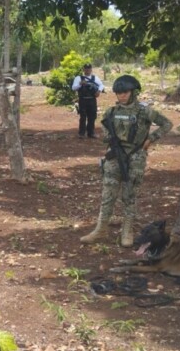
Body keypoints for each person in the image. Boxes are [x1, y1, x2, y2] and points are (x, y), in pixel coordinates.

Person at [80, 75, 172, 247]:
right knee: (108, 194)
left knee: (130, 196)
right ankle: (100, 229)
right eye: (118, 93)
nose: (121, 96)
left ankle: (127, 231)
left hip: (136, 157)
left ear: (133, 92)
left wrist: (151, 138)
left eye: (125, 92)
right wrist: (110, 140)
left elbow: (167, 124)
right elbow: (105, 128)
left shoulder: (144, 111)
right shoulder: (112, 112)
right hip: (114, 157)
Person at [71, 63, 105, 139]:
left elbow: (101, 85)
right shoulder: (78, 78)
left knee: (92, 116)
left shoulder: (95, 78)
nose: (87, 70)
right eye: (86, 69)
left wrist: (98, 91)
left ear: (91, 69)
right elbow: (73, 88)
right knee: (83, 117)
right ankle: (81, 133)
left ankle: (91, 133)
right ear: (83, 69)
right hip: (83, 99)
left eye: (89, 69)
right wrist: (80, 84)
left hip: (92, 99)